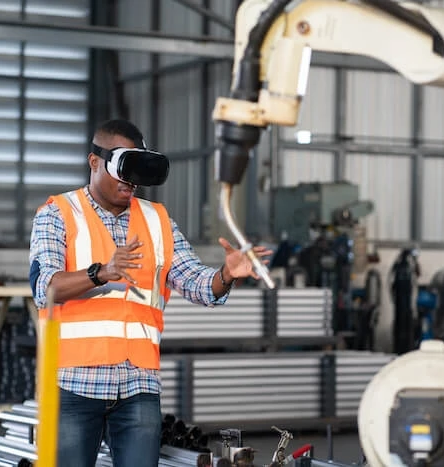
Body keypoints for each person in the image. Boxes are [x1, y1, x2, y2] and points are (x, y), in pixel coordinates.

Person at [28, 118, 271, 467]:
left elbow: (197, 283)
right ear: (94, 162)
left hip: (138, 385)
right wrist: (101, 273)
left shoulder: (157, 220)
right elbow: (44, 288)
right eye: (122, 167)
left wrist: (226, 274)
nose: (130, 180)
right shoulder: (59, 214)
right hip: (73, 384)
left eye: (137, 168)